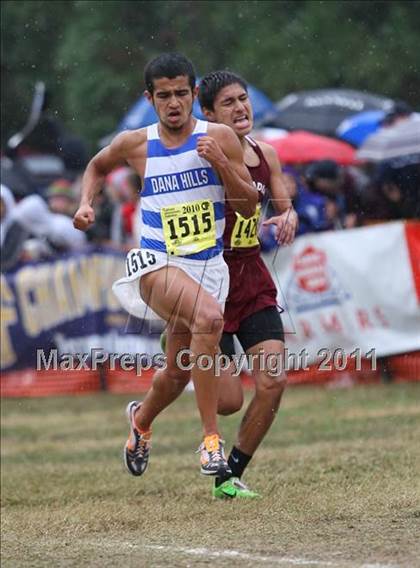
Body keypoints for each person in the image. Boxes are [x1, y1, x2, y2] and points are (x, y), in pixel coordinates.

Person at [73, 53, 258, 478]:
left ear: (195, 94)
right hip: (156, 264)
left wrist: (223, 164)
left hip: (208, 266)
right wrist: (85, 203)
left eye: (180, 94)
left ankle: (140, 421)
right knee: (208, 318)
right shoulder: (135, 143)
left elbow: (248, 205)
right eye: (163, 96)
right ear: (150, 98)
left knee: (178, 375)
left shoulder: (221, 138)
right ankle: (211, 444)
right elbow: (97, 166)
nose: (173, 103)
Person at [197, 71, 298, 498]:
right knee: (228, 401)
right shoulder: (196, 157)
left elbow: (282, 202)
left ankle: (229, 475)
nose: (241, 108)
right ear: (208, 115)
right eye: (228, 103)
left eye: (243, 99)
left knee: (273, 381)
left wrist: (287, 215)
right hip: (208, 279)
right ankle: (187, 351)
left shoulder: (266, 154)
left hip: (251, 277)